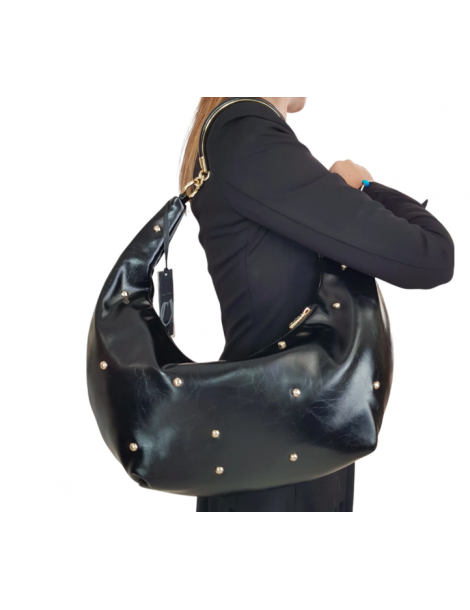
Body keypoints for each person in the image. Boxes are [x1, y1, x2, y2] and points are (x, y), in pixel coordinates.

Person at [179, 97, 454, 512]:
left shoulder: (241, 138)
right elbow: (431, 256)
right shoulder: (249, 136)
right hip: (280, 453)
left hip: (279, 442)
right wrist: (364, 186)